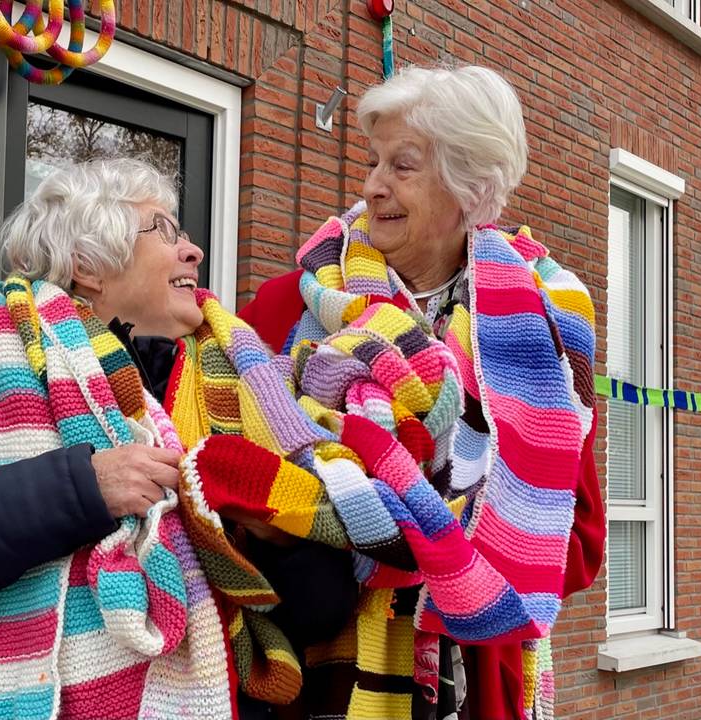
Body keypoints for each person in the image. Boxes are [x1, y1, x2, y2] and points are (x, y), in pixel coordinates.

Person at [0, 159, 357, 720]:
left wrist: (282, 540)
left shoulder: (237, 407)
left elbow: (321, 614)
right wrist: (81, 488)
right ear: (88, 266)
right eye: (164, 229)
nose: (193, 251)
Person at [236, 64, 605, 719]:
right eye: (373, 161)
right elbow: (236, 507)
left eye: (401, 166)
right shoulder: (284, 310)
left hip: (475, 678)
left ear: (469, 188)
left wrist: (442, 548)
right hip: (324, 671)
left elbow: (578, 543)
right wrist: (323, 528)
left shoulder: (544, 328)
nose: (373, 186)